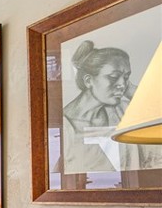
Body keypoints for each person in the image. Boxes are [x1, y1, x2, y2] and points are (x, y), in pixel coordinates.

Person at [61, 40, 145, 173]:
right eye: (114, 77)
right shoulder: (64, 127)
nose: (122, 84)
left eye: (126, 77)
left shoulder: (123, 111)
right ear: (88, 80)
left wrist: (131, 90)